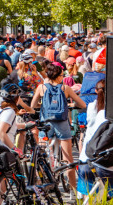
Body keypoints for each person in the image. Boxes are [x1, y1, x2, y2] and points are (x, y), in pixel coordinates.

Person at [31, 62, 86, 192]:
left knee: (41, 156)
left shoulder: (41, 87)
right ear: (58, 76)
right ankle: (73, 189)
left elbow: (33, 105)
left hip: (46, 123)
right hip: (62, 123)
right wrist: (70, 106)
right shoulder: (65, 88)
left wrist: (42, 106)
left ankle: (41, 185)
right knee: (68, 159)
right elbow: (82, 104)